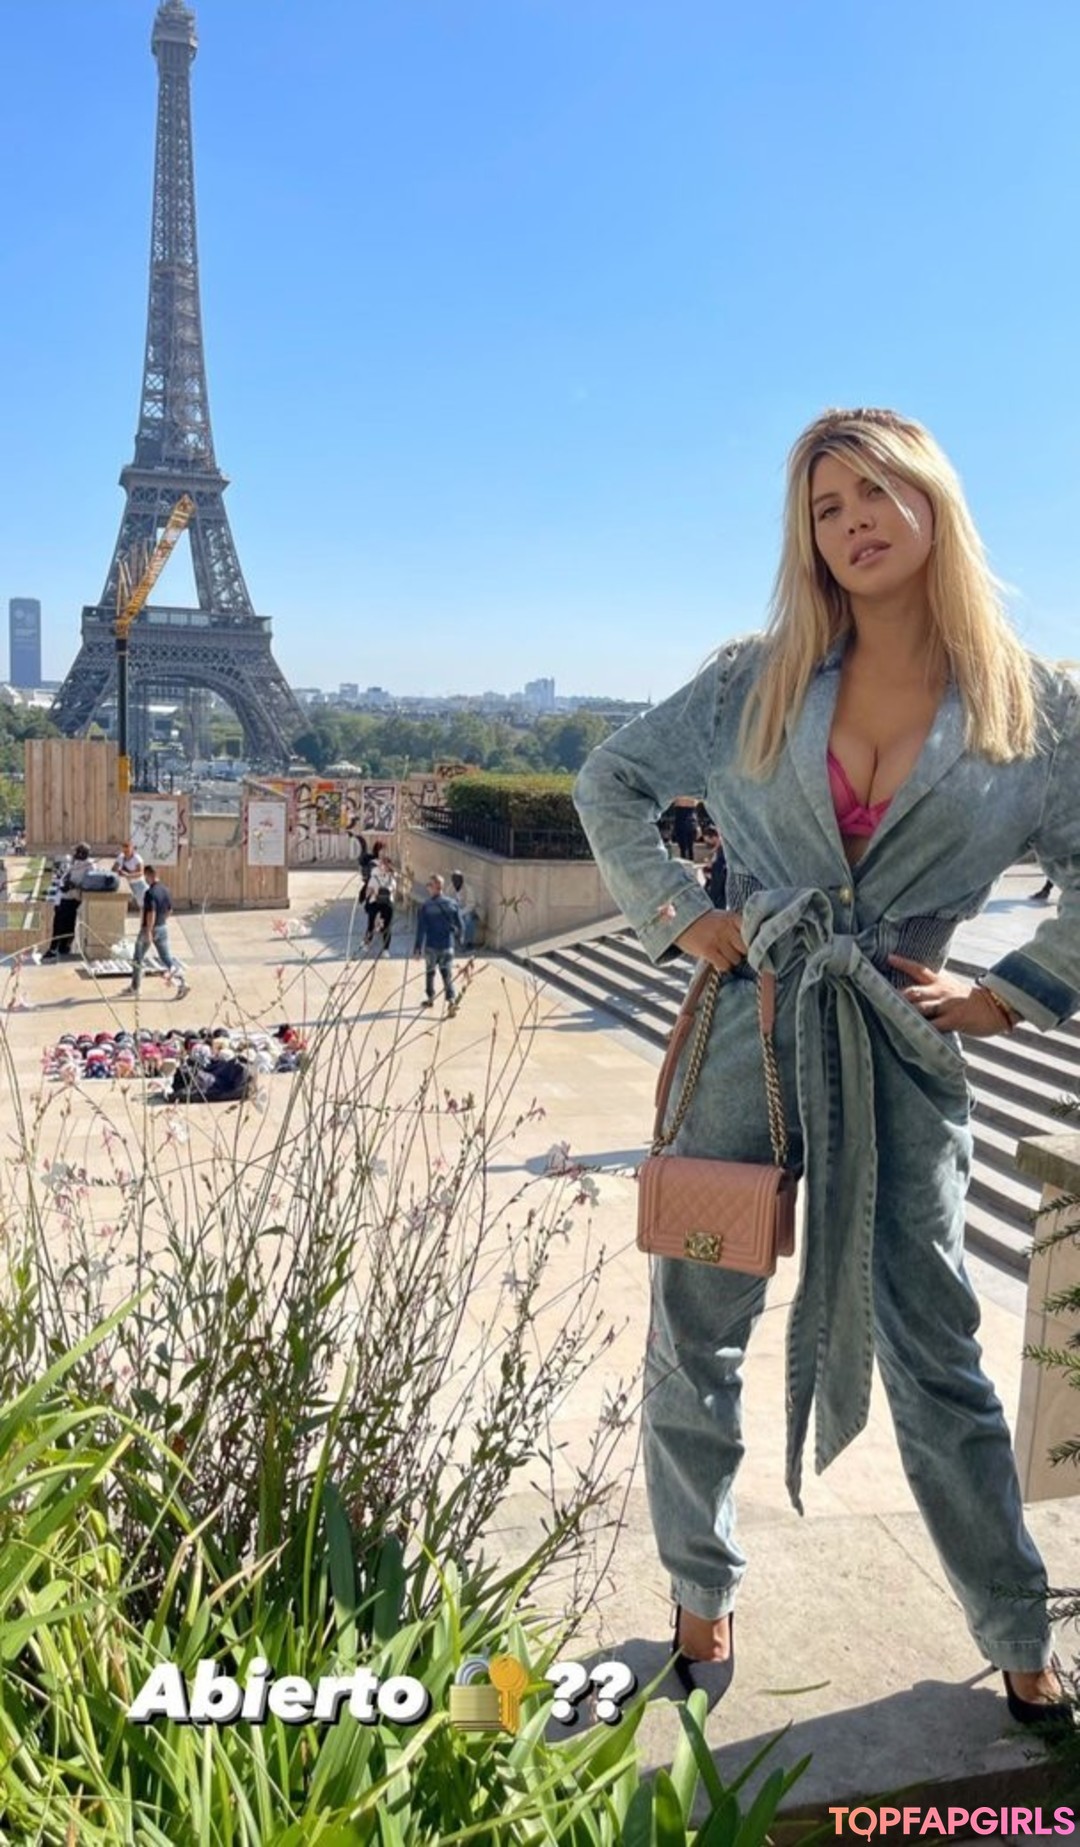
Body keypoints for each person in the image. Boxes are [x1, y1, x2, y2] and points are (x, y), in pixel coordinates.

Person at [573, 407, 1079, 1728]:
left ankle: (1016, 1625)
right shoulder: (755, 679)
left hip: (901, 1056)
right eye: (824, 503)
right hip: (743, 1044)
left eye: (875, 491)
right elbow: (609, 782)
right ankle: (700, 1592)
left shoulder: (1039, 707)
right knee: (695, 1325)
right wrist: (686, 915)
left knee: (938, 1348)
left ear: (933, 502)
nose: (852, 520)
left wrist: (1006, 995)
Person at [119, 863, 188, 999]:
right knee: (166, 958)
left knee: (138, 958)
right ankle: (182, 983)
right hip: (162, 928)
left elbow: (151, 913)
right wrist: (161, 922)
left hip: (148, 929)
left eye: (145, 877)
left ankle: (135, 987)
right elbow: (169, 910)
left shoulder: (149, 893)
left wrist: (149, 931)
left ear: (148, 875)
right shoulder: (166, 890)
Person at [412, 873, 462, 1015]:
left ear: (434, 887)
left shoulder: (426, 907)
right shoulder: (452, 904)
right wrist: (459, 939)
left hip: (432, 945)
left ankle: (430, 998)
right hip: (448, 945)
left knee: (430, 972)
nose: (428, 887)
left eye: (429, 885)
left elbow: (421, 929)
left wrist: (417, 948)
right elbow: (460, 925)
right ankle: (451, 1000)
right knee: (447, 974)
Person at [41, 843, 95, 961]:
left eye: (76, 852)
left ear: (81, 853)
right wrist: (65, 882)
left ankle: (59, 949)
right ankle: (57, 948)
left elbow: (89, 883)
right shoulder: (75, 863)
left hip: (72, 899)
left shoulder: (89, 866)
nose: (74, 854)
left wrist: (73, 886)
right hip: (63, 897)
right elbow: (67, 876)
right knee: (58, 924)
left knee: (65, 926)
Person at [361, 852, 397, 951]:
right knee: (382, 926)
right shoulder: (390, 879)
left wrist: (372, 892)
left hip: (380, 903)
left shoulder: (377, 878)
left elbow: (367, 893)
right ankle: (384, 948)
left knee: (374, 925)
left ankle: (370, 944)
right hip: (383, 903)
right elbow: (393, 892)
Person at [449, 869, 478, 950]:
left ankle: (469, 943)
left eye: (457, 880)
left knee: (469, 919)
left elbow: (471, 905)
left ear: (461, 880)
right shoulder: (451, 888)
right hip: (455, 910)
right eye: (454, 880)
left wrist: (461, 913)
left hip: (467, 911)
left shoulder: (468, 889)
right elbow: (448, 900)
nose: (455, 882)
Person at [113, 841, 148, 908]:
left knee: (143, 903)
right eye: (124, 851)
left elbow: (141, 873)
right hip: (128, 884)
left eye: (127, 851)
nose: (126, 853)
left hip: (138, 883)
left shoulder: (137, 858)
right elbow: (114, 868)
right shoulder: (121, 857)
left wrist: (128, 875)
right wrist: (118, 871)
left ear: (132, 850)